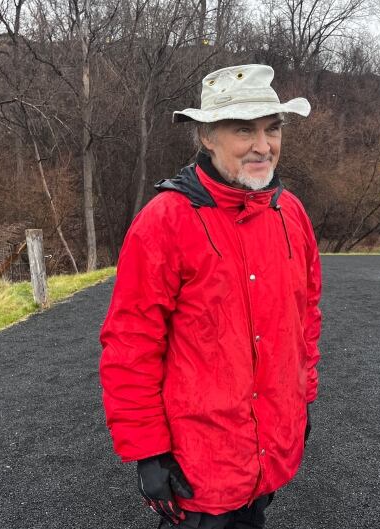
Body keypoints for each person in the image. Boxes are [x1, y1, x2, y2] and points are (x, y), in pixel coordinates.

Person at [99, 64, 322, 529]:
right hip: (199, 463)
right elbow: (130, 344)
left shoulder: (290, 213)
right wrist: (148, 451)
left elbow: (305, 319)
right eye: (245, 130)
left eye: (272, 129)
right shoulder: (165, 221)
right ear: (206, 136)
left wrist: (303, 399)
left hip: (268, 448)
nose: (263, 146)